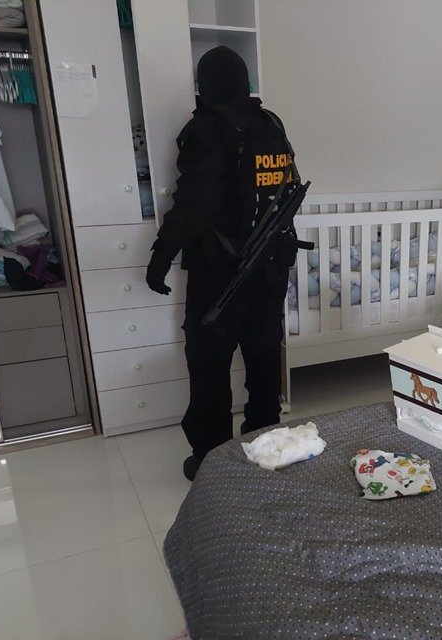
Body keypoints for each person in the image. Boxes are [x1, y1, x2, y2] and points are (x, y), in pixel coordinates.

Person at [145, 46, 298, 481]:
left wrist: (161, 254)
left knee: (209, 360)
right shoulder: (271, 124)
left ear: (205, 86)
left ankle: (211, 456)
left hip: (221, 270)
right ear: (245, 83)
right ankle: (265, 442)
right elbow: (285, 190)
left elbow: (195, 204)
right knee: (263, 353)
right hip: (271, 264)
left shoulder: (207, 128)